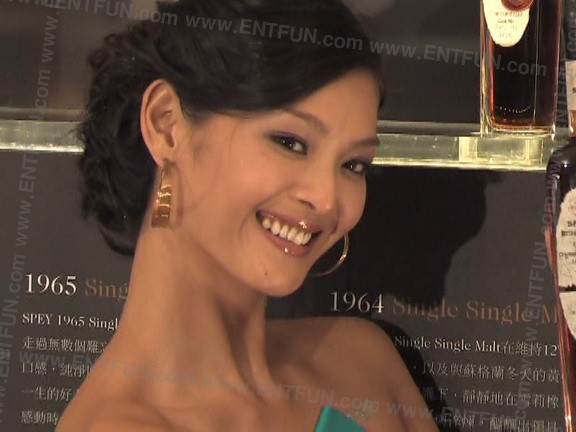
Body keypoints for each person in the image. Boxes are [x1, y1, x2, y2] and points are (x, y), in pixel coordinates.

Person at [57, 0, 439, 430]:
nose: (327, 199)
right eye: (289, 142)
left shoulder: (364, 362)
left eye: (353, 165)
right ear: (166, 125)